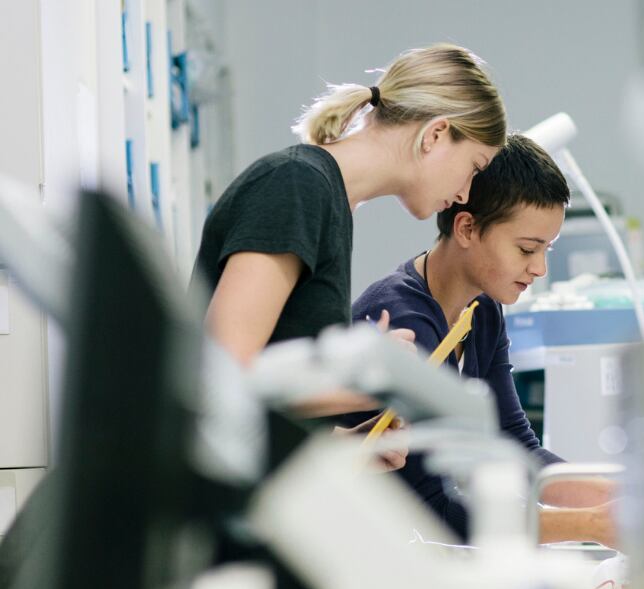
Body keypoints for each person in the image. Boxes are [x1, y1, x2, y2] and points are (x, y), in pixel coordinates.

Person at [190, 44, 507, 434]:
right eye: (474, 168)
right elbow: (220, 376)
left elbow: (269, 397)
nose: (464, 194)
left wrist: (353, 441)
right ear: (436, 135)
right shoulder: (296, 185)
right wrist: (369, 378)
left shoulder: (333, 202)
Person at [346, 134, 617, 546]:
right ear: (467, 227)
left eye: (547, 249)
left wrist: (617, 497)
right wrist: (592, 526)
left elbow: (513, 441)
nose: (540, 268)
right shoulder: (404, 323)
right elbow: (431, 510)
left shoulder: (481, 310)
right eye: (527, 248)